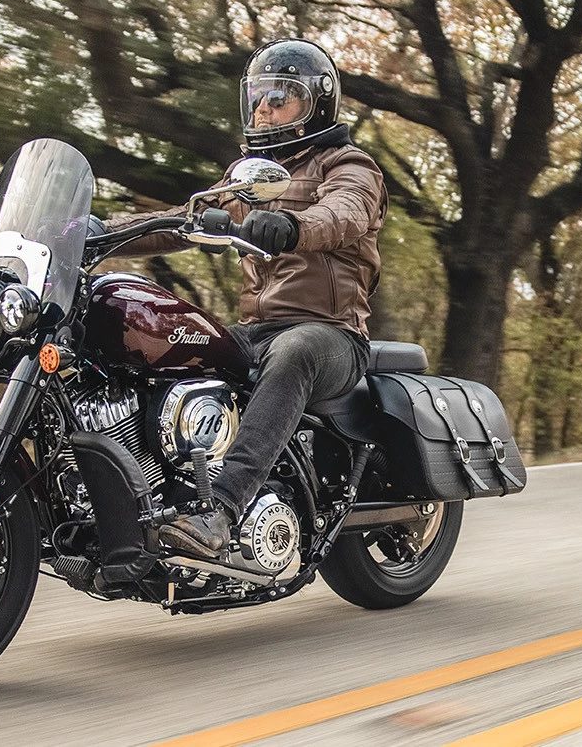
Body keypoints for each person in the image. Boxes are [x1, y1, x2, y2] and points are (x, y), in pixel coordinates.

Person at [104, 38, 384, 557]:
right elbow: (178, 221)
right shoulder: (250, 176)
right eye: (258, 97)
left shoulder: (349, 166)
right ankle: (158, 494)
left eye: (280, 96)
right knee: (170, 342)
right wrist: (96, 231)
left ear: (316, 103)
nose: (264, 107)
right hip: (257, 331)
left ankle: (223, 511)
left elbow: (343, 213)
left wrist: (292, 226)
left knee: (294, 351)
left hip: (332, 335)